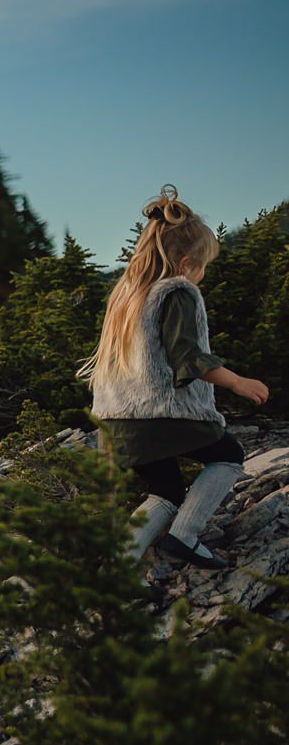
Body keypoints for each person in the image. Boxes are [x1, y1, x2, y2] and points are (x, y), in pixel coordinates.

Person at [84, 187, 269, 569]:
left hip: (117, 418)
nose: (201, 276)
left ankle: (119, 572)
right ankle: (184, 538)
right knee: (230, 455)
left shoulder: (127, 295)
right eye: (202, 268)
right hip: (160, 415)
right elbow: (187, 356)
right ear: (186, 264)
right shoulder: (178, 292)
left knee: (165, 491)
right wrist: (236, 381)